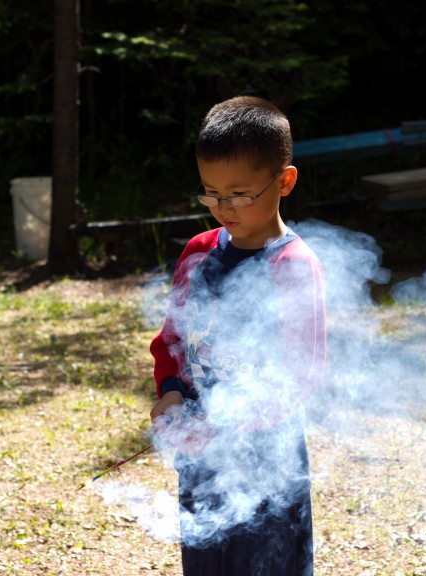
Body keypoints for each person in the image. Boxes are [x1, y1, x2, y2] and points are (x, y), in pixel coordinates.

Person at [149, 96, 326, 576]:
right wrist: (171, 394)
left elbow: (299, 377)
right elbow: (172, 343)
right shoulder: (197, 251)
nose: (223, 208)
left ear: (284, 181)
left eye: (240, 194)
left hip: (266, 459)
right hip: (200, 454)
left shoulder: (292, 267)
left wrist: (225, 429)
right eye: (210, 193)